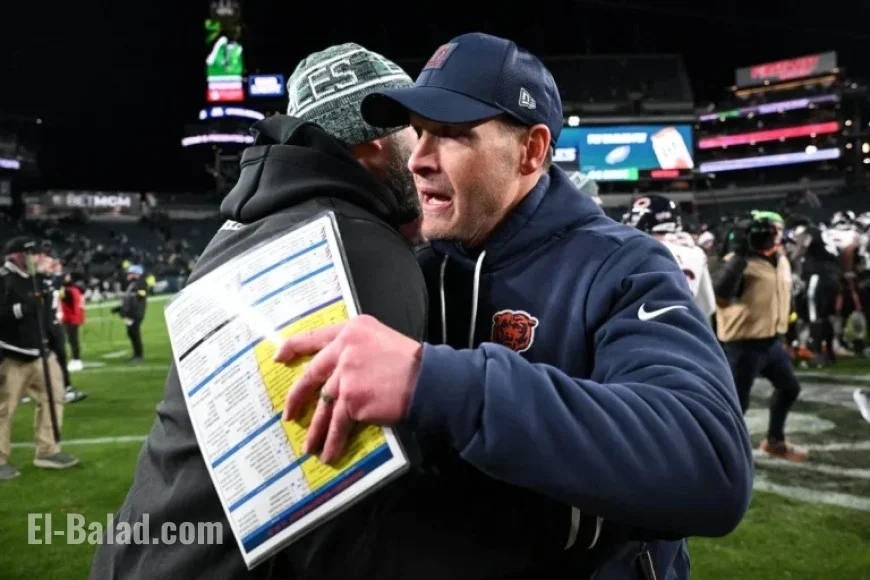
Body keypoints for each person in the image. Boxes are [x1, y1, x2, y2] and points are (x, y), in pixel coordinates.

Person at [274, 33, 753, 579]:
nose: (420, 160)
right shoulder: (416, 267)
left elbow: (711, 463)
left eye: (452, 135)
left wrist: (432, 382)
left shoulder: (622, 266)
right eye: (420, 133)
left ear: (531, 150)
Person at [90, 44, 427, 579]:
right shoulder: (358, 246)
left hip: (138, 551)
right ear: (376, 145)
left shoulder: (237, 233)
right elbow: (347, 519)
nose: (426, 152)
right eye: (417, 130)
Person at [714, 213, 809, 462]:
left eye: (775, 231)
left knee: (789, 388)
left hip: (771, 342)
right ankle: (718, 455)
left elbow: (785, 299)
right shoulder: (735, 261)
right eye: (769, 232)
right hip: (742, 345)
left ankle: (774, 441)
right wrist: (739, 257)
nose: (774, 237)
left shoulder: (781, 259)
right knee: (735, 405)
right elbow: (720, 294)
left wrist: (789, 335)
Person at [0, 237, 79, 481]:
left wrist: (55, 347)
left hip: (41, 353)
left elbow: (47, 318)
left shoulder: (39, 279)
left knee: (55, 397)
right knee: (4, 408)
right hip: (12, 355)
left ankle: (47, 450)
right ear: (18, 256)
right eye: (35, 254)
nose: (41, 258)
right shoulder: (4, 279)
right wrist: (23, 308)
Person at [623, 195, 716, 318]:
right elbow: (708, 306)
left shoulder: (635, 253)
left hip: (643, 330)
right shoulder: (695, 252)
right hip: (687, 330)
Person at [111, 265, 148, 362]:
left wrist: (137, 292)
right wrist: (119, 309)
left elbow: (142, 294)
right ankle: (136, 354)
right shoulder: (132, 284)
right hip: (130, 314)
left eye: (130, 273)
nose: (128, 275)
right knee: (131, 333)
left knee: (134, 333)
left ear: (136, 274)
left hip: (135, 314)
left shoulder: (140, 283)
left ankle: (139, 355)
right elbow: (129, 299)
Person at [60, 271, 86, 372]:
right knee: (73, 340)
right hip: (74, 318)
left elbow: (63, 298)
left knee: (73, 340)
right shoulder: (75, 289)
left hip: (71, 318)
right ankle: (76, 359)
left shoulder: (69, 291)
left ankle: (76, 359)